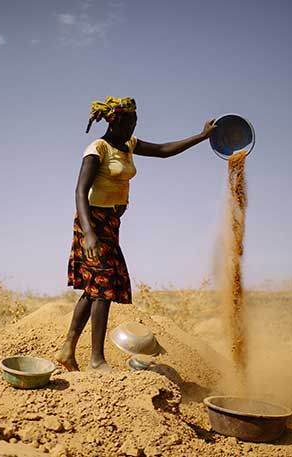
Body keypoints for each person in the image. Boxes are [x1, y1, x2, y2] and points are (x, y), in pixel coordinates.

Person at [55, 96, 216, 372]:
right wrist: (90, 234)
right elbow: (80, 192)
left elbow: (164, 150)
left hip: (110, 225)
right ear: (114, 122)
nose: (132, 128)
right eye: (128, 122)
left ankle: (68, 349)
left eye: (135, 122)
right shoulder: (97, 149)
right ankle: (96, 360)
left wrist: (202, 137)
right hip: (91, 222)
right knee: (103, 288)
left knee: (95, 288)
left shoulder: (129, 145)